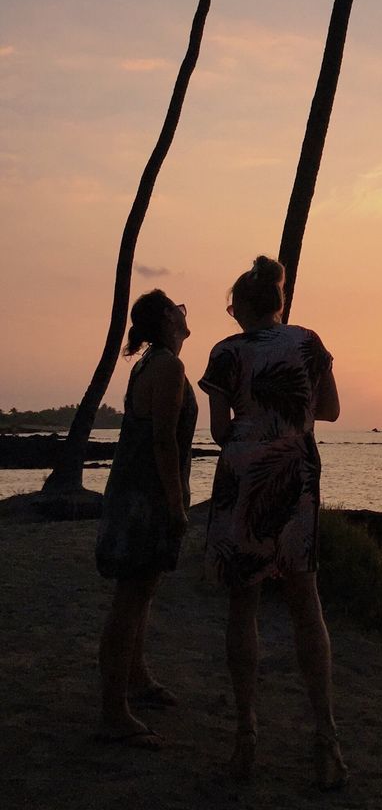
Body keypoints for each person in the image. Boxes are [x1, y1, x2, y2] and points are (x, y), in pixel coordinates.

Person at [199, 256, 346, 786]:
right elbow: (328, 410)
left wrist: (252, 431)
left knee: (244, 604)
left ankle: (246, 737)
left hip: (244, 478)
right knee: (307, 602)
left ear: (238, 308)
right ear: (278, 304)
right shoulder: (308, 342)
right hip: (297, 476)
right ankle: (326, 740)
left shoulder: (224, 353)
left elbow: (218, 431)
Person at [95, 290, 197, 747]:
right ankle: (115, 711)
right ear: (166, 318)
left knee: (143, 590)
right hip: (146, 499)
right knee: (129, 598)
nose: (184, 311)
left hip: (134, 492)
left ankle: (136, 678)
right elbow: (163, 443)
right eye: (179, 306)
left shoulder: (148, 362)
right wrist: (177, 508)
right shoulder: (168, 367)